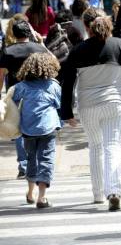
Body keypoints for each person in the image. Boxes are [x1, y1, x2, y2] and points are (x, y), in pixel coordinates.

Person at [61, 9, 121, 211]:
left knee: (96, 147)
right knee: (112, 146)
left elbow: (68, 84)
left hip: (88, 106)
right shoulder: (120, 46)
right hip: (115, 104)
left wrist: (66, 112)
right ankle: (114, 191)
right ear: (109, 26)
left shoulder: (77, 50)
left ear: (87, 27)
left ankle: (98, 194)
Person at [0, 20, 48, 179]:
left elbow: (1, 75)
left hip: (16, 93)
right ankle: (37, 162)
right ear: (29, 33)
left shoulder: (8, 51)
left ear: (14, 34)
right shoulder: (39, 49)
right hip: (37, 93)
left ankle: (24, 164)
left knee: (17, 129)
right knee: (36, 127)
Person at [13, 53, 61, 208]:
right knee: (46, 160)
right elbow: (60, 104)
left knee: (31, 158)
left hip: (28, 129)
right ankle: (42, 197)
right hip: (48, 128)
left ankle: (30, 192)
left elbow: (11, 102)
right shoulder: (53, 86)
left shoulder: (22, 86)